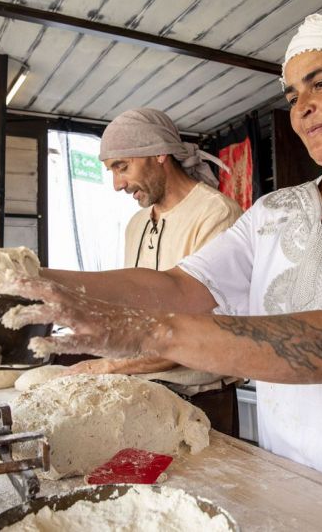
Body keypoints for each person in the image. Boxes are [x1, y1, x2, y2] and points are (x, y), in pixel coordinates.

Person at [2, 9, 322, 528]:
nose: (303, 109)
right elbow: (178, 288)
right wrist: (23, 276)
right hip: (292, 476)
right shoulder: (274, 212)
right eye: (294, 95)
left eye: (321, 83)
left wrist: (150, 332)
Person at [59, 108, 244, 437]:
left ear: (159, 153)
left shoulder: (216, 215)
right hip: (142, 395)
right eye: (112, 171)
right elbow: (136, 316)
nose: (117, 185)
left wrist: (107, 366)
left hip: (202, 403)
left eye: (122, 167)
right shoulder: (136, 225)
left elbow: (202, 332)